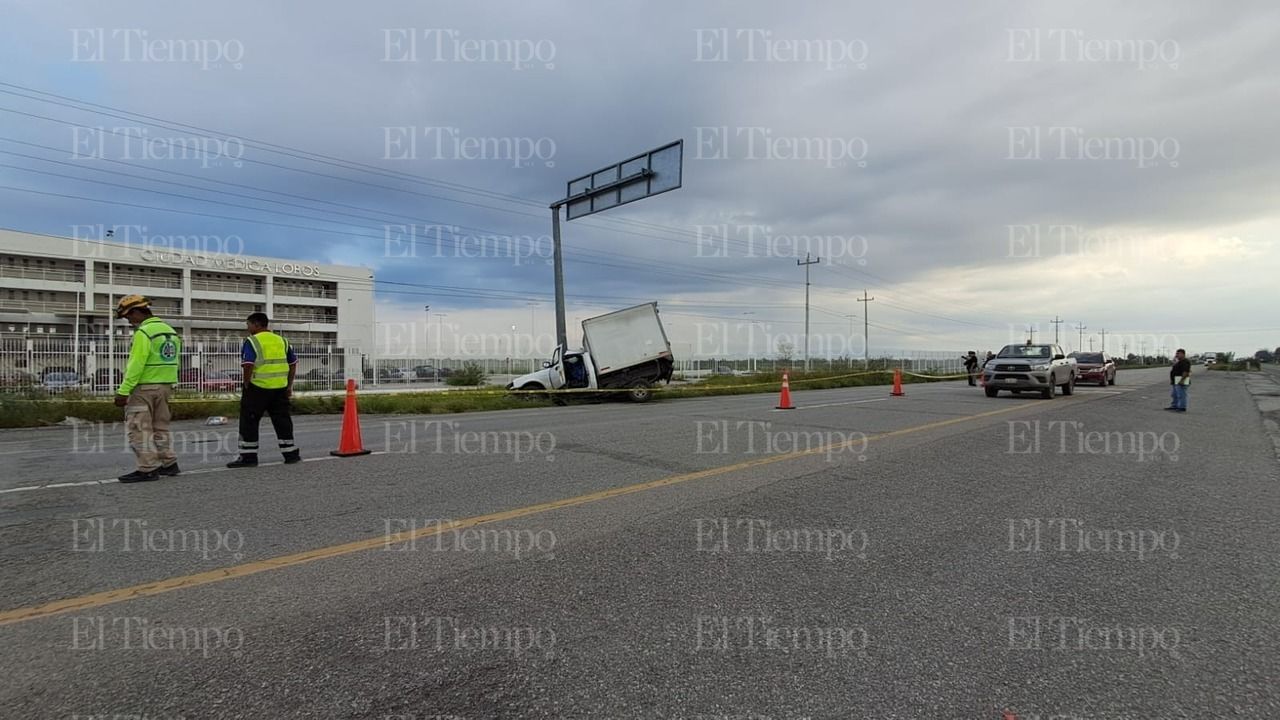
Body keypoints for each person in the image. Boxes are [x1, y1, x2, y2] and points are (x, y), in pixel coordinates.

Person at [113, 295, 182, 482]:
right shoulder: (169, 331)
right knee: (161, 427)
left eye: (128, 317)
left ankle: (148, 468)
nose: (129, 321)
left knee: (139, 428)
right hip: (165, 387)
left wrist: (123, 391)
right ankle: (169, 463)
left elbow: (136, 365)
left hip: (144, 388)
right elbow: (175, 361)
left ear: (136, 312)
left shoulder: (144, 333)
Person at [227, 313, 300, 467]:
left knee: (249, 421)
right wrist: (289, 385)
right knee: (283, 421)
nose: (248, 328)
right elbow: (293, 363)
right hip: (280, 389)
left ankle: (249, 457)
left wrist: (246, 383)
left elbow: (248, 364)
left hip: (257, 388)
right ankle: (291, 454)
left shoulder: (252, 341)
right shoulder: (282, 340)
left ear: (256, 324)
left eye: (248, 325)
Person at [1167, 348, 1191, 412]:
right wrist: (1175, 360)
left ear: (1183, 354)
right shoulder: (1179, 362)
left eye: (1178, 353)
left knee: (1181, 395)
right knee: (1174, 394)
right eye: (1176, 353)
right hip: (1176, 380)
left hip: (1181, 380)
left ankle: (1182, 407)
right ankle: (1174, 406)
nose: (1177, 355)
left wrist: (1182, 380)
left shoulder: (1185, 361)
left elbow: (1185, 372)